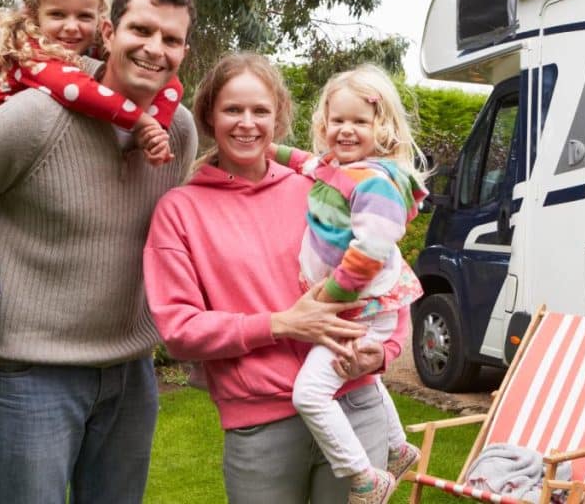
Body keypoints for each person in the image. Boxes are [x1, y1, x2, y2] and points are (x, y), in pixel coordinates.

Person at [0, 0, 197, 502]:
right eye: (141, 30)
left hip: (132, 375)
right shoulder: (35, 115)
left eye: (171, 39)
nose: (154, 49)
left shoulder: (179, 128)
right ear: (109, 30)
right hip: (34, 380)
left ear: (183, 50)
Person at [143, 53, 411, 504]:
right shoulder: (180, 210)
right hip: (261, 426)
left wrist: (382, 353)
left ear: (280, 117)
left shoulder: (321, 187)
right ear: (209, 115)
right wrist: (280, 324)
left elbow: (386, 272)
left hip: (355, 405)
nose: (246, 123)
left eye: (260, 111)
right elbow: (179, 331)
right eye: (232, 110)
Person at [270, 64, 429, 503]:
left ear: (383, 127)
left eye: (360, 121)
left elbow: (373, 247)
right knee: (364, 378)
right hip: (363, 306)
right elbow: (304, 162)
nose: (346, 129)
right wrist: (267, 149)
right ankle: (397, 447)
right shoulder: (340, 168)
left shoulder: (374, 182)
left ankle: (364, 475)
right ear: (323, 123)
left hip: (359, 306)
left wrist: (331, 297)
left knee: (311, 392)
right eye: (338, 120)